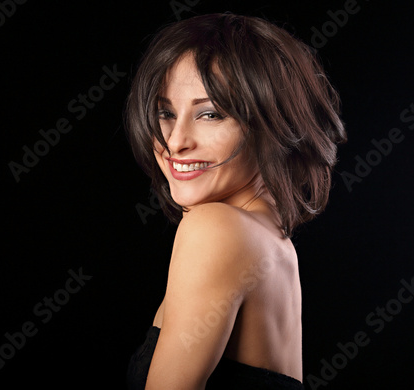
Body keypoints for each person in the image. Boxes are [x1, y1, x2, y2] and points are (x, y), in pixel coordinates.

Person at [125, 12, 346, 390]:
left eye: (210, 114)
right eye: (165, 113)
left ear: (273, 123)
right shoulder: (272, 242)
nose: (175, 141)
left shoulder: (217, 228)